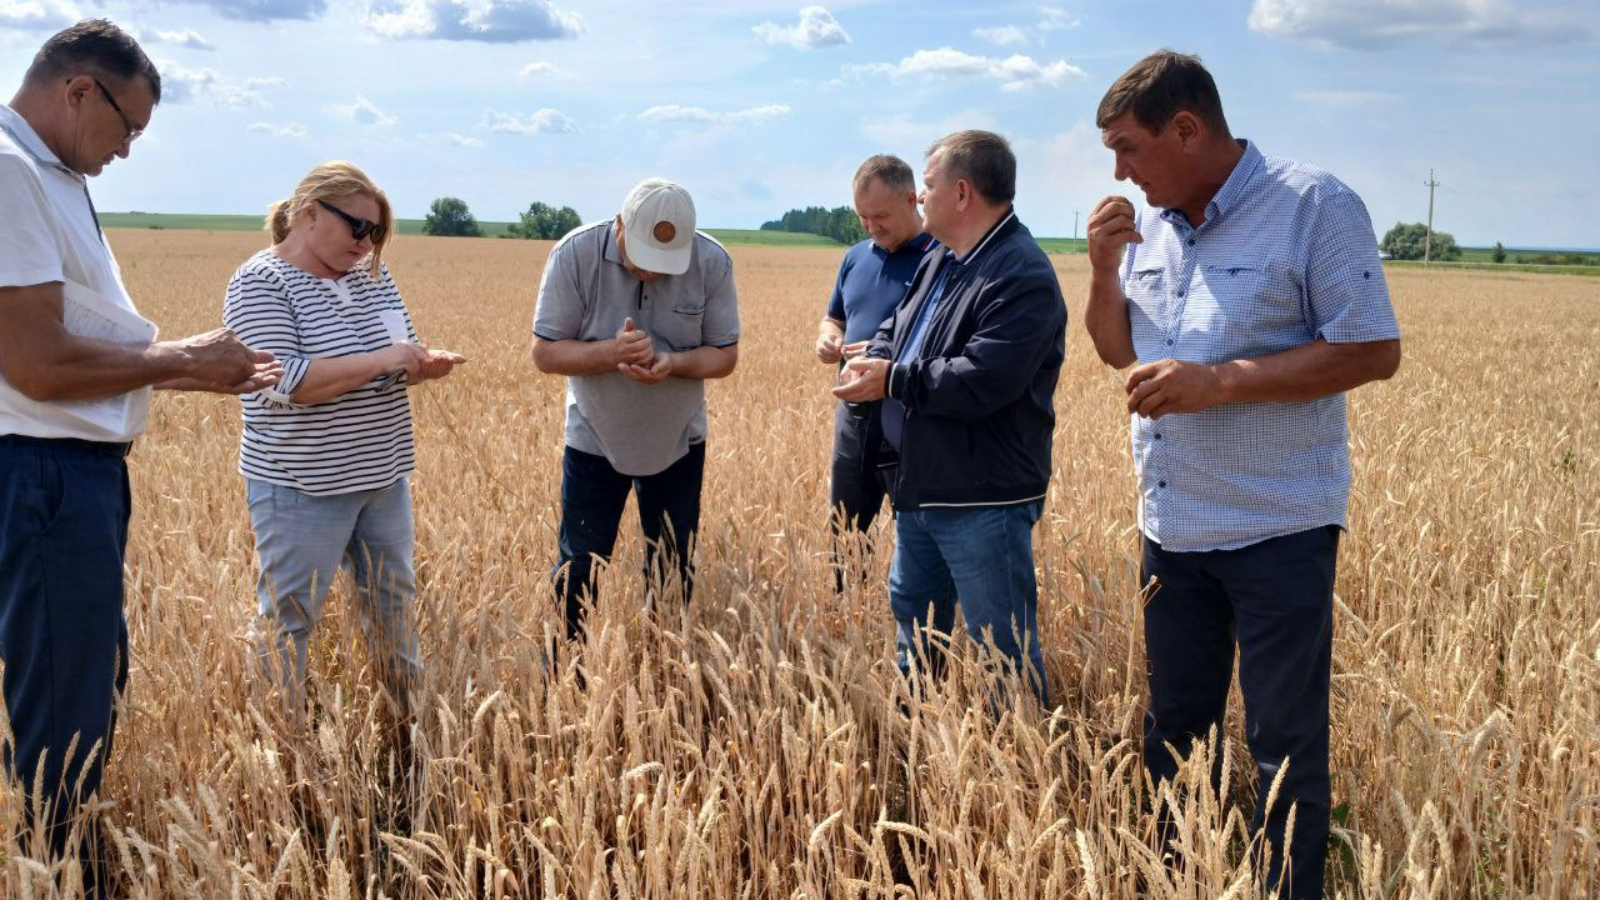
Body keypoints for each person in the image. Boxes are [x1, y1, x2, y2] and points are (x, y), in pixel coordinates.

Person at [1083, 50, 1402, 900]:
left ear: (1188, 130)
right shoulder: (1148, 224)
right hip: (1172, 527)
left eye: (1128, 147)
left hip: (1278, 529)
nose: (1117, 170)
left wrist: (1218, 382)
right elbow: (1119, 350)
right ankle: (1174, 877)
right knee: (1175, 732)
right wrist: (1101, 270)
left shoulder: (1314, 206)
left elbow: (1373, 349)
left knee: (1283, 744)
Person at [0, 19, 278, 888]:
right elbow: (39, 365)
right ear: (80, 89)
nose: (128, 151)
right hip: (43, 475)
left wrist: (186, 368)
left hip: (60, 476)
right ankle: (58, 873)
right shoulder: (10, 175)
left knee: (81, 683)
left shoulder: (46, 174)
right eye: (128, 127)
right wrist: (188, 363)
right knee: (64, 708)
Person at [222, 161, 465, 717]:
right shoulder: (260, 281)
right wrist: (383, 360)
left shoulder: (370, 276)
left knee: (393, 603)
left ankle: (406, 720)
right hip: (302, 484)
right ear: (309, 214)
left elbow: (398, 350)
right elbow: (284, 381)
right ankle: (282, 744)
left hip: (383, 475)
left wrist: (420, 365)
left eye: (376, 232)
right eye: (357, 227)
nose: (367, 243)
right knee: (290, 616)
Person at [834, 130, 1066, 707]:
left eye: (928, 185)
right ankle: (923, 751)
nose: (919, 198)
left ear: (962, 193)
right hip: (923, 487)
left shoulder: (1021, 274)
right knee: (916, 632)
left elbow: (985, 378)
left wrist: (891, 379)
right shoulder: (943, 255)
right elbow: (899, 324)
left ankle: (1016, 772)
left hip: (981, 498)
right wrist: (877, 352)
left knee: (1001, 650)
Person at [532, 178, 740, 645]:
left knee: (672, 565)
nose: (651, 274)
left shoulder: (711, 261)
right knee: (579, 565)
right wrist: (611, 354)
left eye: (665, 265)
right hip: (593, 438)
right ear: (620, 226)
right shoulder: (575, 254)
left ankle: (664, 665)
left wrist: (673, 364)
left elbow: (724, 357)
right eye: (641, 259)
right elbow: (544, 353)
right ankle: (566, 669)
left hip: (679, 440)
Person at [814, 154, 936, 594]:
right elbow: (835, 318)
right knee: (845, 539)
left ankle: (916, 634)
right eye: (862, 217)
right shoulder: (854, 258)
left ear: (912, 199)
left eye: (880, 216)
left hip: (910, 426)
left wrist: (892, 351)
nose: (871, 227)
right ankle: (852, 618)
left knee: (918, 548)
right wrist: (827, 339)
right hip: (853, 422)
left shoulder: (941, 260)